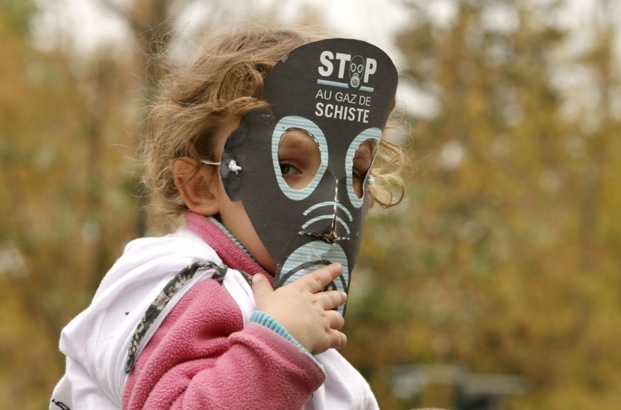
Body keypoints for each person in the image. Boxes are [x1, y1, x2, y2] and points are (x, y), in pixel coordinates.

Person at [50, 24, 407, 410]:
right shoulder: (185, 284)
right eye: (288, 166)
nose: (331, 204)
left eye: (353, 172)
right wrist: (277, 349)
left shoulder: (303, 329)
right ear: (202, 186)